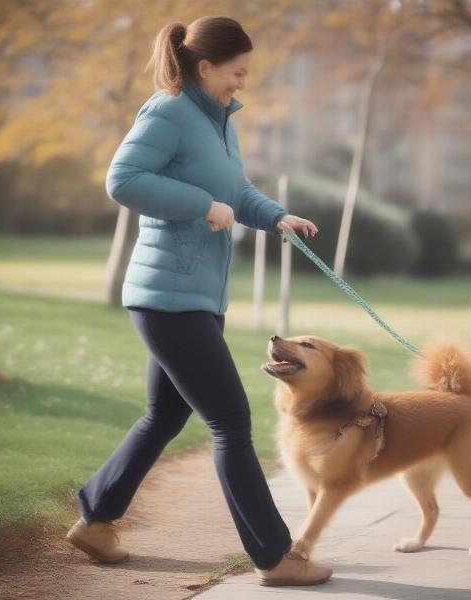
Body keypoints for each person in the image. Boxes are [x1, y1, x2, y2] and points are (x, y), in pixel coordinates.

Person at [65, 15, 332, 587]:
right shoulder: (167, 111)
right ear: (204, 66)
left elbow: (234, 194)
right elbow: (124, 179)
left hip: (195, 296)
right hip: (167, 297)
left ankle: (95, 520)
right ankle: (276, 556)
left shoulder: (218, 122)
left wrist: (276, 216)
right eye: (236, 73)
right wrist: (199, 204)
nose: (242, 83)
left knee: (165, 413)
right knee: (232, 421)